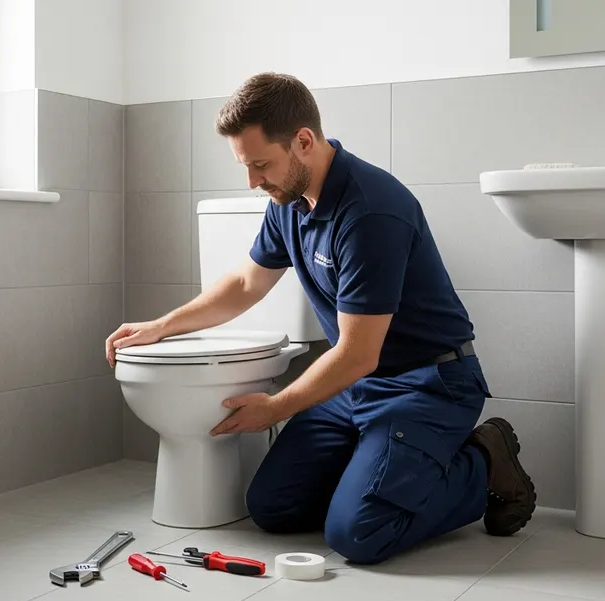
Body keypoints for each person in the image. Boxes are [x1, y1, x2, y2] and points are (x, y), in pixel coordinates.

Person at [105, 72, 535, 565]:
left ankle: (483, 461)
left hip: (426, 383)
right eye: (246, 167)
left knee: (358, 534)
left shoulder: (371, 211)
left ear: (303, 142)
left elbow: (357, 352)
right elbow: (247, 284)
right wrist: (162, 326)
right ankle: (377, 473)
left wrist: (276, 407)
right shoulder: (287, 200)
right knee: (272, 507)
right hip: (355, 386)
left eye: (260, 164)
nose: (253, 182)